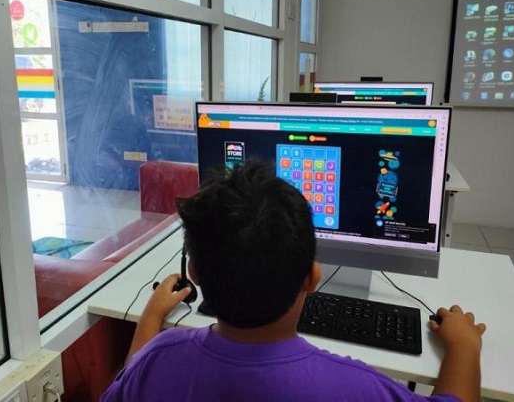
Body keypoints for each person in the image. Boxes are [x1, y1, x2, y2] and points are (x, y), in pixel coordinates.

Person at [102, 160, 486, 402]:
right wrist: (464, 347)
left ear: (196, 275)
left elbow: (128, 382)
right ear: (312, 277)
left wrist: (151, 317)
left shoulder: (157, 359)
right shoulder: (355, 388)